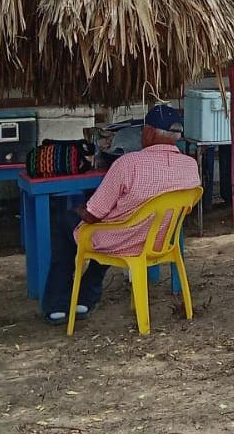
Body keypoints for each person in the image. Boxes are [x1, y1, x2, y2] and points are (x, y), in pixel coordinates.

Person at [41, 103, 201, 324]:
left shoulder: (128, 164)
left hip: (121, 240)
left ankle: (57, 305)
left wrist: (79, 209)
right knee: (114, 223)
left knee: (66, 222)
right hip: (160, 242)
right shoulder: (190, 167)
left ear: (149, 132)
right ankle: (85, 298)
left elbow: (93, 213)